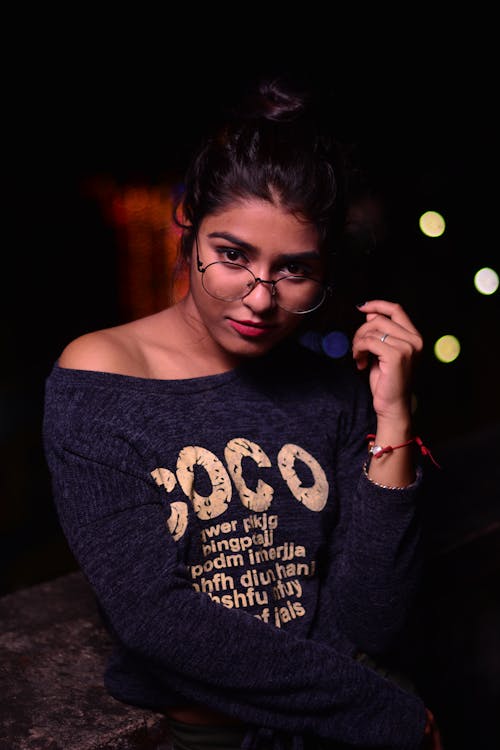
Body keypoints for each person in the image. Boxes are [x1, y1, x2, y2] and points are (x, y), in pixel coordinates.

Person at [43, 73, 442, 749]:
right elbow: (153, 620)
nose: (260, 298)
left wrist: (395, 416)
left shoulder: (330, 390)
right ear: (189, 231)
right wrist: (384, 714)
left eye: (294, 270)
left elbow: (371, 620)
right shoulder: (101, 379)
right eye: (233, 256)